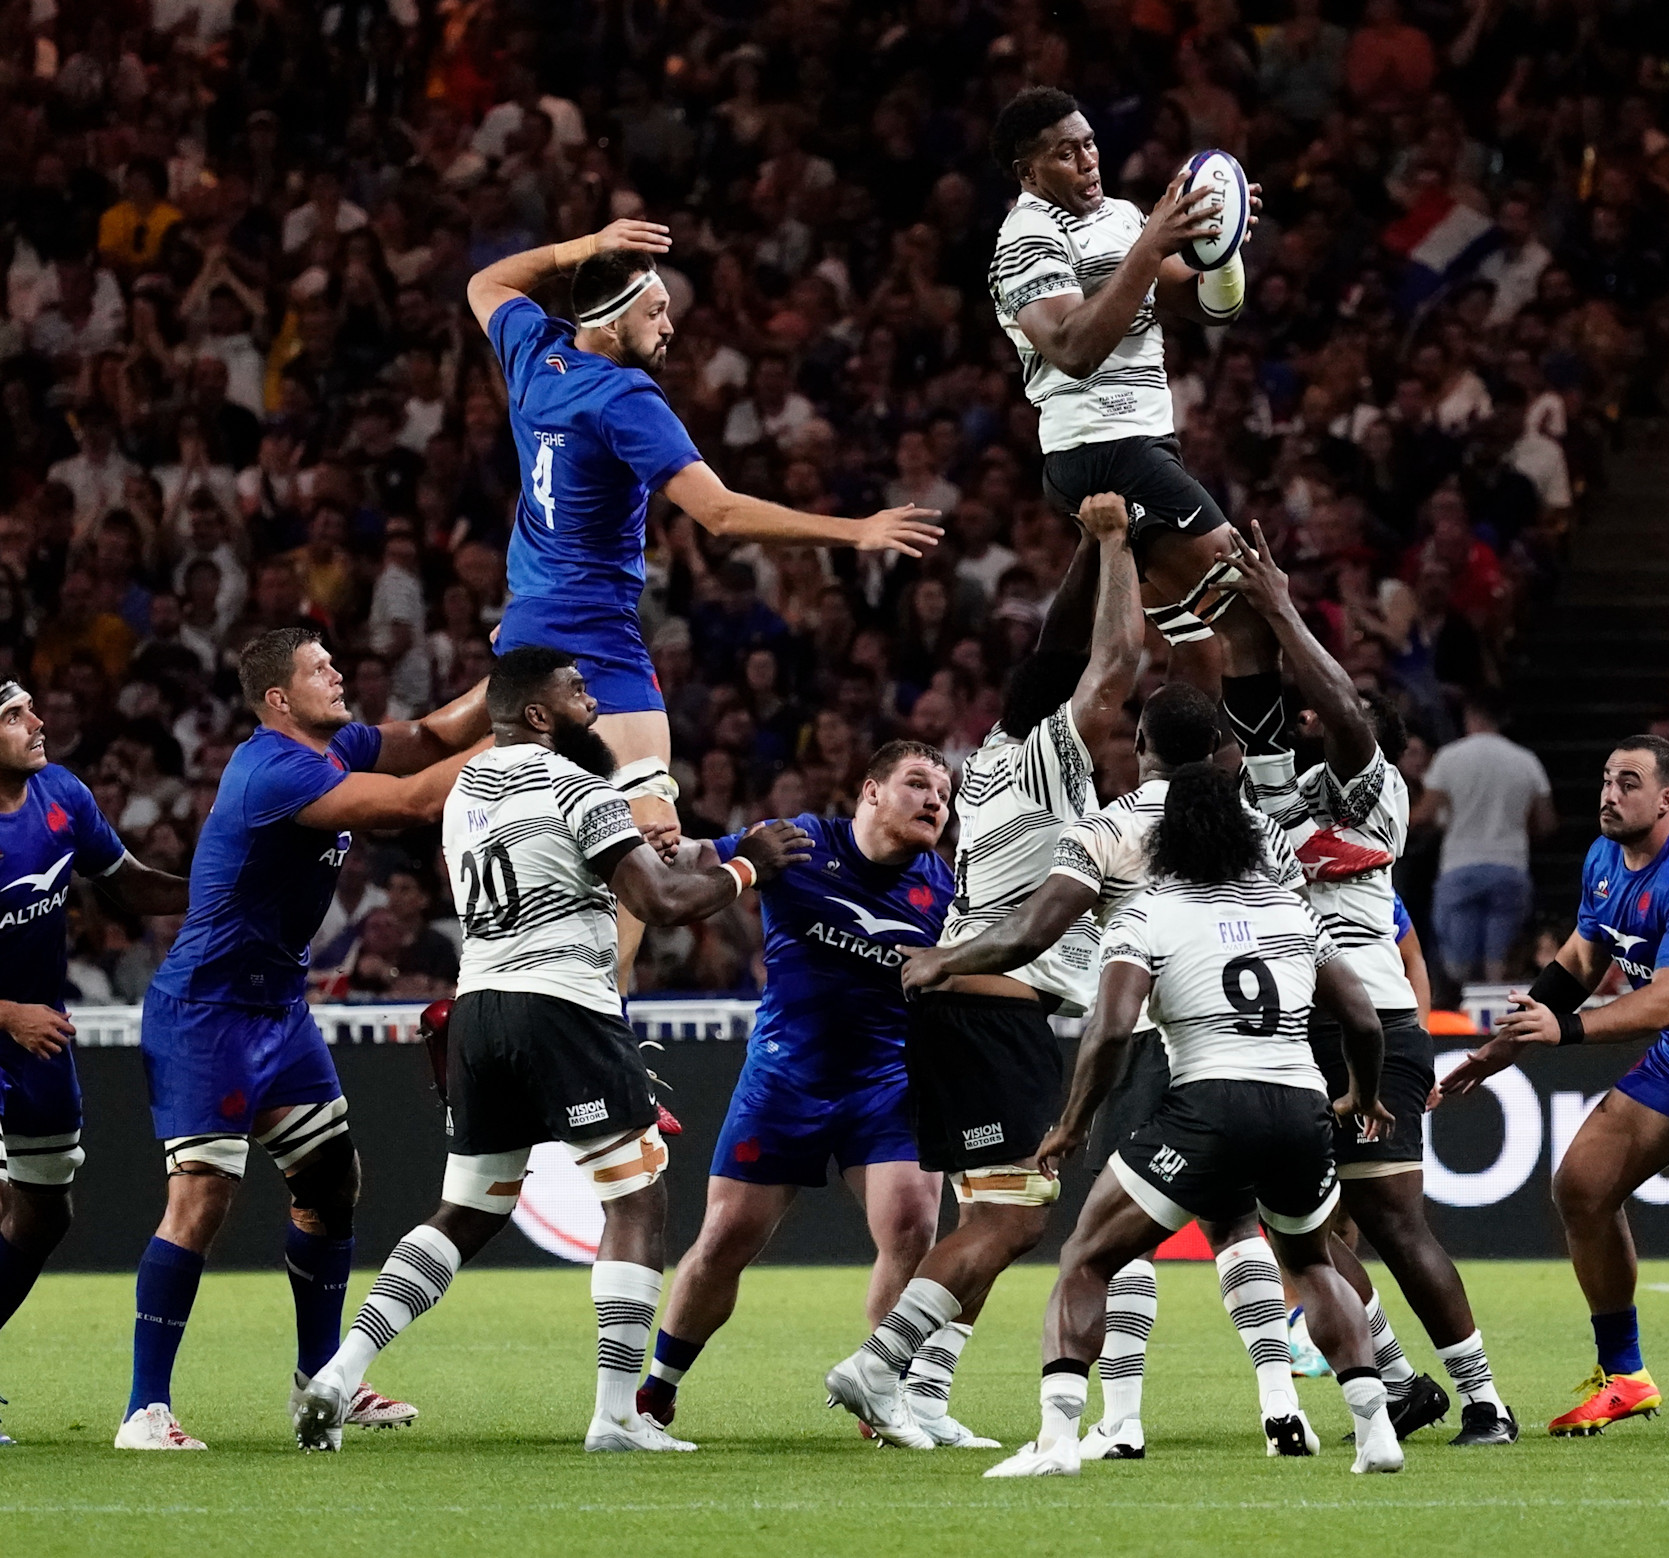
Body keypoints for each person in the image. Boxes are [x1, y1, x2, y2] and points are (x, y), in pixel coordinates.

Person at [292, 648, 813, 1453]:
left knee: (467, 1210)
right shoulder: (578, 787)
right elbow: (661, 903)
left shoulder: (468, 790)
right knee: (636, 1200)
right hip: (563, 1005)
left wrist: (653, 848)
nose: (592, 702)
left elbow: (573, 867)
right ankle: (616, 1415)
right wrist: (749, 866)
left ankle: (337, 1370)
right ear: (537, 714)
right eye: (576, 691)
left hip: (478, 1009)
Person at [466, 221, 945, 982]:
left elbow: (485, 283)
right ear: (611, 322)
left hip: (524, 631)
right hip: (595, 646)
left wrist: (584, 247)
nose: (670, 326)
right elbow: (718, 513)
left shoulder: (537, 353)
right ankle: (604, 1018)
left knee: (544, 838)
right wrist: (854, 531)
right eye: (655, 312)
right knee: (647, 845)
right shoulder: (625, 398)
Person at [899, 683, 1301, 1457]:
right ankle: (1285, 1404)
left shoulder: (1110, 825)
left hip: (1153, 1040)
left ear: (1141, 744)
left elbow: (1037, 929)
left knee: (1114, 1242)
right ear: (1219, 751)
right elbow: (1300, 935)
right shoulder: (1256, 830)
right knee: (1241, 1227)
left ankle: (1118, 1421)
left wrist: (949, 959)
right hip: (1255, 1048)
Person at [820, 494, 1144, 1451]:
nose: (1109, 725)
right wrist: (1116, 543)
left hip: (968, 1013)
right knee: (1015, 1224)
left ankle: (923, 1393)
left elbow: (1058, 646)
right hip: (993, 1014)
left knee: (990, 1216)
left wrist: (1082, 549)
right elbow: (1113, 660)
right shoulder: (1047, 756)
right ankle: (879, 1364)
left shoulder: (1004, 754)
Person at [116, 627, 491, 1450]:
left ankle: (321, 1381)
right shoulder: (273, 771)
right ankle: (144, 1410)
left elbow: (429, 735)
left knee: (330, 1184)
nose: (339, 673)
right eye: (321, 668)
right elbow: (413, 801)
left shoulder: (330, 748)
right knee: (200, 1200)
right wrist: (529, 734)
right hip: (207, 1009)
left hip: (278, 1009)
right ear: (279, 698)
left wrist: (516, 676)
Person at [979, 757, 1403, 1478]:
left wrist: (1073, 1122)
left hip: (1208, 1103)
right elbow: (1363, 1019)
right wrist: (1362, 1097)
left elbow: (1111, 1030)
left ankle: (1059, 1439)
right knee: (1310, 1261)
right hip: (1300, 1107)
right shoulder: (1291, 910)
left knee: (1088, 1256)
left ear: (1164, 840)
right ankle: (1375, 1430)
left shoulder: (1147, 912)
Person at [1221, 527, 1515, 1445]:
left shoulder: (1374, 790)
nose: (1306, 724)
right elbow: (1254, 710)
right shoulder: (1277, 797)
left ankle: (1485, 1401)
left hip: (1369, 1021)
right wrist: (1236, 623)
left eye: (1322, 721)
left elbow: (1341, 711)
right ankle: (1397, 1380)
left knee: (1390, 1219)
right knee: (1296, 1229)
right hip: (1288, 1030)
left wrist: (1281, 608)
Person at [1438, 734, 1669, 1441]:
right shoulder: (1604, 856)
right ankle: (1624, 1377)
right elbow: (1580, 960)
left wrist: (1566, 1032)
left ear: (1667, 799)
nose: (1609, 795)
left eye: (1629, 783)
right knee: (1580, 1187)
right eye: (1607, 780)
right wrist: (1499, 1051)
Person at [0, 678, 189, 1450]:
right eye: (15, 716)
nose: (37, 721)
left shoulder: (62, 795)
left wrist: (217, 893)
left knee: (49, 1211)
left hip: (37, 1031)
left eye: (30, 709)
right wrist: (5, 1016)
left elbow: (125, 883)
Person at [638, 742, 958, 1431]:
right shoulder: (800, 842)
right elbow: (700, 859)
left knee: (912, 1225)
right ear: (870, 791)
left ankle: (881, 1388)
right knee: (726, 1239)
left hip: (888, 1082)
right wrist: (665, 844)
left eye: (943, 791)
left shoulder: (949, 890)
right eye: (917, 783)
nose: (935, 799)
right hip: (786, 1078)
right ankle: (657, 1390)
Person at [987, 87, 1265, 669]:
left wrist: (1221, 249)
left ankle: (1136, 745)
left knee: (1199, 648)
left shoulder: (1121, 217)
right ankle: (1277, 751)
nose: (1088, 161)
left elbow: (1209, 307)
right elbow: (1073, 348)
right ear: (1028, 172)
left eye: (1089, 144)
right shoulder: (1026, 236)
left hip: (1141, 444)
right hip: (1104, 447)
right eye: (1066, 153)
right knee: (1253, 620)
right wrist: (1151, 246)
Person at [1415, 697, 1556, 987]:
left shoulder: (1450, 757)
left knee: (1457, 965)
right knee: (1500, 963)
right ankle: (1496, 1007)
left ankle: (1461, 1008)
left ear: (1471, 717)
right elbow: (1546, 822)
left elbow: (1425, 814)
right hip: (1510, 866)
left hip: (1460, 866)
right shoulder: (1526, 761)